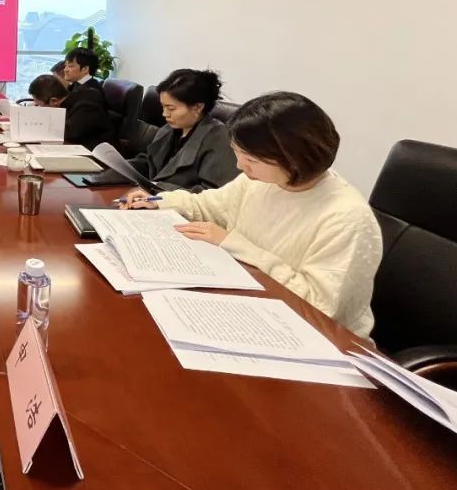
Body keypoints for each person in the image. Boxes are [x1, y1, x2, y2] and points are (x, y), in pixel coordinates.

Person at [120, 92, 382, 339]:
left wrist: (233, 243)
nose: (239, 166)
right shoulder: (261, 181)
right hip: (249, 303)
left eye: (251, 160)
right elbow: (207, 205)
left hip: (313, 336)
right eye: (238, 154)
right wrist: (158, 201)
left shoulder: (347, 218)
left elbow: (320, 307)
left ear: (293, 157)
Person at [126, 69, 239, 192]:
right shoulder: (168, 130)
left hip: (176, 203)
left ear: (197, 107)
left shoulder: (219, 138)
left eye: (171, 108)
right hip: (152, 197)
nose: (164, 114)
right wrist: (122, 167)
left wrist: (161, 190)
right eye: (163, 107)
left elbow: (213, 193)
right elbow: (150, 163)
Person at [28, 74, 116, 150]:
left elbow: (67, 134)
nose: (39, 109)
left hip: (98, 155)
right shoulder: (68, 98)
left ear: (54, 101)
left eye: (40, 105)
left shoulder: (86, 106)